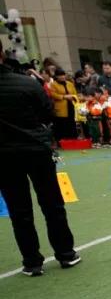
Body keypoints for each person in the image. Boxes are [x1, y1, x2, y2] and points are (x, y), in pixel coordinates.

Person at [0, 44, 80, 276]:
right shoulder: (27, 83)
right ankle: (66, 253)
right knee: (52, 204)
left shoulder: (26, 82)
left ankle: (32, 261)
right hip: (36, 148)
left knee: (19, 211)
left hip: (5, 155)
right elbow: (47, 112)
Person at [48, 67, 77, 141]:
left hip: (71, 106)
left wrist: (73, 97)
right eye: (60, 75)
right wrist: (64, 97)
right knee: (63, 124)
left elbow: (74, 93)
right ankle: (63, 141)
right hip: (61, 108)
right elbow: (53, 94)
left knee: (72, 123)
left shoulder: (70, 84)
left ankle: (73, 139)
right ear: (56, 76)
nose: (62, 77)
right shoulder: (53, 84)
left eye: (63, 75)